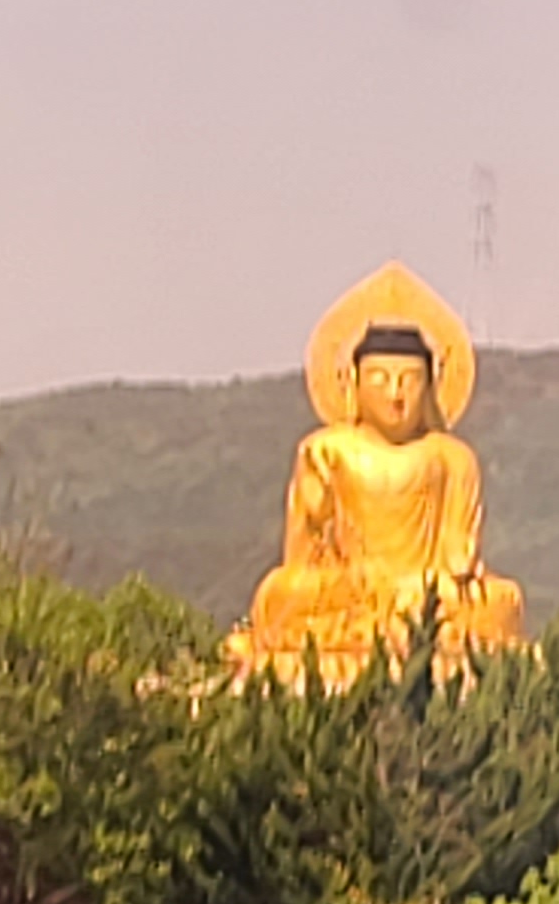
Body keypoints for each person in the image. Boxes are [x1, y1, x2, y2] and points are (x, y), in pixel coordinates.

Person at [221, 262, 526, 682]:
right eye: (380, 379)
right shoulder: (326, 450)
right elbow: (300, 559)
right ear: (352, 382)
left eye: (410, 380)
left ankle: (403, 631)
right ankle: (386, 634)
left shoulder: (452, 457)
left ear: (431, 386)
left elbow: (460, 553)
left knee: (501, 601)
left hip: (423, 591)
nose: (395, 394)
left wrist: (440, 577)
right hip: (350, 590)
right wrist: (318, 520)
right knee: (281, 593)